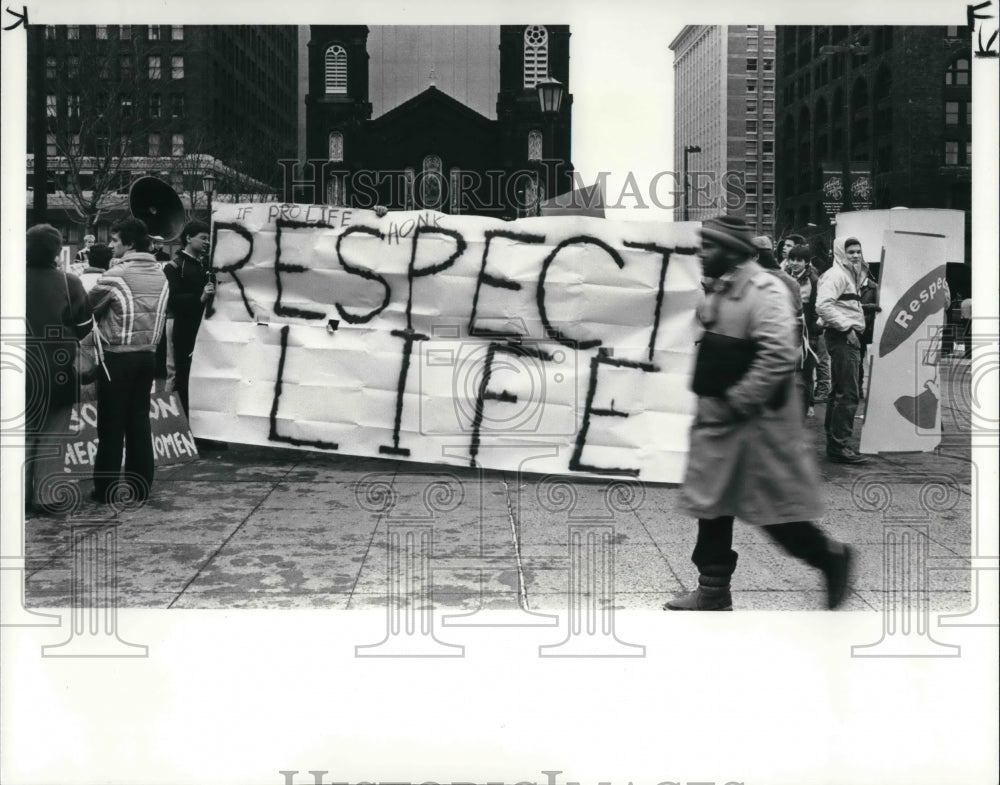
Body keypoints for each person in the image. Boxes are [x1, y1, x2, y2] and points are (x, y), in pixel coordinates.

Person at [664, 215, 853, 611]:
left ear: (732, 250)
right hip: (721, 425)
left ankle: (830, 558)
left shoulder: (764, 290)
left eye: (709, 246)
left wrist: (737, 402)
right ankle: (713, 590)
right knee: (712, 508)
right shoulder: (724, 287)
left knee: (772, 514)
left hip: (752, 427)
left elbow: (779, 354)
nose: (701, 253)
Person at [87, 217, 169, 504]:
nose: (111, 245)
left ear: (129, 244)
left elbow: (87, 309)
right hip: (147, 356)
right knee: (139, 422)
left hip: (116, 358)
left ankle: (106, 489)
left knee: (111, 426)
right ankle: (140, 487)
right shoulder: (161, 274)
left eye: (115, 240)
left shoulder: (116, 274)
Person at [24, 224, 93, 514]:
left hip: (20, 369)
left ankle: (16, 496)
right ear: (56, 251)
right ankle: (46, 497)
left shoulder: (10, 279)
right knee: (54, 432)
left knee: (23, 433)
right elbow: (84, 327)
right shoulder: (69, 282)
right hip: (59, 368)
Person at [815, 236, 870, 464]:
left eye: (858, 251)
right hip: (843, 338)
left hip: (843, 337)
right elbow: (822, 305)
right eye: (851, 252)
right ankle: (839, 446)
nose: (856, 255)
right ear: (840, 253)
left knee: (840, 392)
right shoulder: (837, 275)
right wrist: (847, 328)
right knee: (848, 393)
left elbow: (839, 304)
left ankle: (835, 442)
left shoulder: (849, 275)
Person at [163, 220, 213, 419]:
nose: (207, 242)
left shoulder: (203, 265)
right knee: (179, 374)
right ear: (188, 238)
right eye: (203, 238)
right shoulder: (174, 266)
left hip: (198, 326)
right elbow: (172, 299)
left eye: (208, 238)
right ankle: (174, 425)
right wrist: (200, 297)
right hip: (181, 326)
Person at [787, 244, 822, 417]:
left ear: (807, 262)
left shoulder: (813, 280)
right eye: (792, 259)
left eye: (799, 260)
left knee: (806, 374)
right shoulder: (785, 276)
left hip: (807, 334)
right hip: (788, 332)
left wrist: (814, 332)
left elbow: (818, 308)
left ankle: (808, 404)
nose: (794, 263)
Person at [858, 266, 880, 398]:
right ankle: (859, 389)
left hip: (870, 328)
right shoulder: (851, 286)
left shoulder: (874, 287)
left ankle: (874, 392)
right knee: (858, 361)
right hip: (859, 328)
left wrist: (862, 307)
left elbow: (879, 307)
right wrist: (869, 307)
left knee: (873, 361)